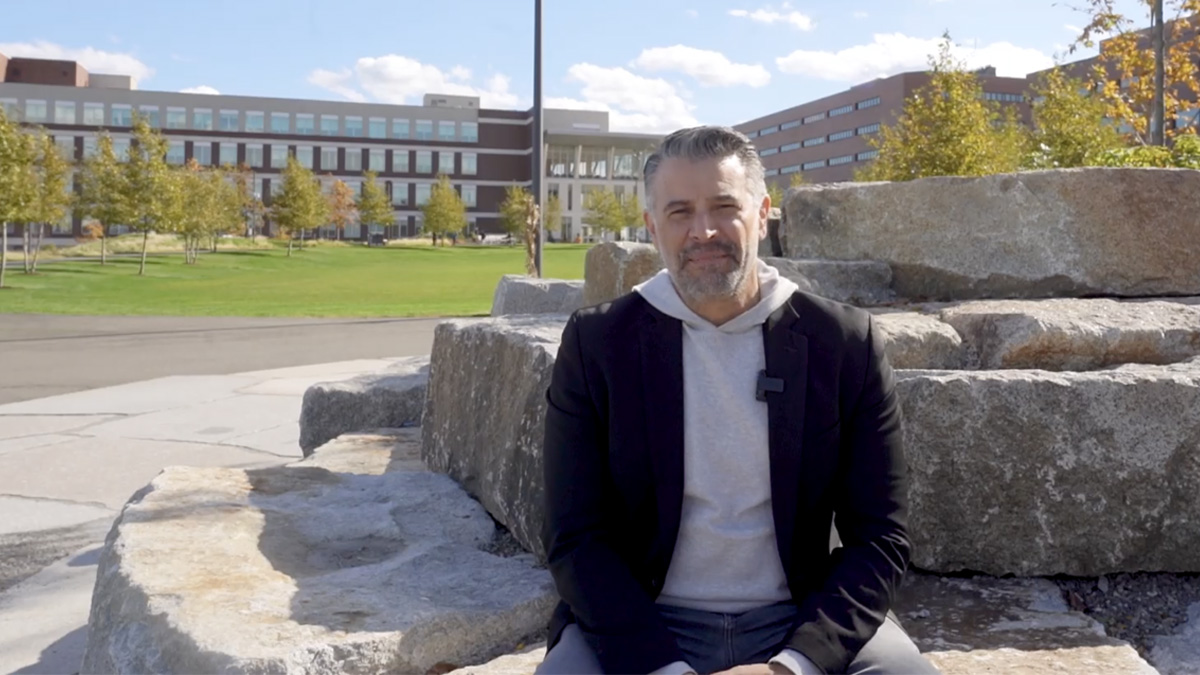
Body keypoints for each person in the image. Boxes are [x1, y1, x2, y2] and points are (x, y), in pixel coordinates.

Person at [537, 125, 940, 675]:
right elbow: (574, 537)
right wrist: (663, 668)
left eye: (724, 206)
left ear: (762, 212)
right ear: (653, 226)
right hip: (642, 620)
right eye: (679, 212)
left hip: (799, 616)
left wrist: (795, 665)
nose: (703, 231)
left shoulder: (842, 342)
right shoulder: (597, 343)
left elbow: (881, 537)